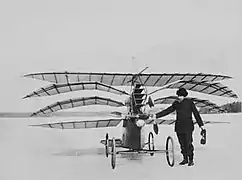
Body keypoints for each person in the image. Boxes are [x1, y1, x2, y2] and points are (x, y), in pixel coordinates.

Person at [153, 88, 205, 166]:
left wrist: (201, 125)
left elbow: (196, 114)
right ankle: (185, 159)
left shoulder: (190, 102)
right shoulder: (176, 103)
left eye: (182, 95)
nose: (180, 97)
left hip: (188, 127)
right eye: (179, 95)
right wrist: (156, 115)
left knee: (188, 143)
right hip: (179, 127)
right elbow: (168, 110)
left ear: (185, 96)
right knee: (182, 144)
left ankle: (191, 159)